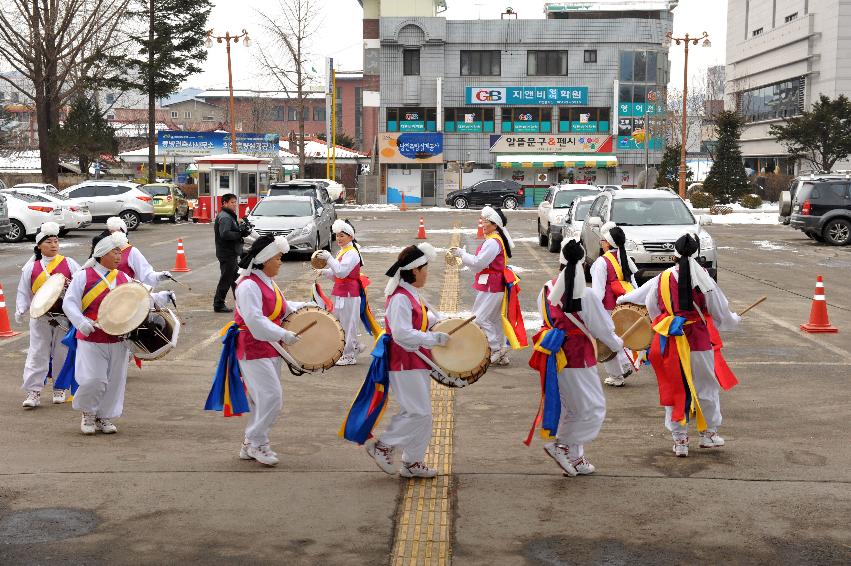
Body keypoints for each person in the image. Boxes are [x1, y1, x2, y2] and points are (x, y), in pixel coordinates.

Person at [618, 233, 740, 457]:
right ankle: (708, 434)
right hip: (700, 342)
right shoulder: (704, 279)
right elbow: (719, 310)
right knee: (706, 387)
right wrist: (733, 320)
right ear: (697, 254)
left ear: (673, 254)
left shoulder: (662, 278)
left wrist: (665, 321)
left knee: (675, 386)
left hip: (671, 340)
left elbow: (650, 304)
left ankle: (680, 440)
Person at [341, 243, 449, 479]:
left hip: (415, 359)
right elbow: (401, 333)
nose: (427, 273)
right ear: (414, 271)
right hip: (403, 361)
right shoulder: (400, 298)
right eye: (425, 269)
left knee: (422, 413)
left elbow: (421, 322)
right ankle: (383, 446)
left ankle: (412, 461)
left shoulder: (410, 294)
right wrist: (433, 338)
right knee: (418, 413)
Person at [205, 235, 306, 467]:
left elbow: (285, 308)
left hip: (270, 347)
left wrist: (310, 307)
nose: (281, 261)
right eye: (278, 257)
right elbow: (255, 321)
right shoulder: (248, 285)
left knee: (262, 400)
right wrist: (283, 334)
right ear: (265, 259)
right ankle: (256, 442)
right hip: (253, 347)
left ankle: (251, 443)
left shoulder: (269, 281)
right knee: (272, 397)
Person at [526, 238, 623, 476]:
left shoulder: (546, 290)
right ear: (582, 264)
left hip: (553, 357)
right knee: (593, 409)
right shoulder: (586, 296)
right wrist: (618, 345)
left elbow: (546, 320)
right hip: (579, 359)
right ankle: (561, 445)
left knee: (573, 409)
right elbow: (603, 329)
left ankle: (576, 457)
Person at [62, 232, 173, 435]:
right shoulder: (83, 276)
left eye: (119, 252)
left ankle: (105, 416)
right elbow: (69, 303)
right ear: (102, 253)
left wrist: (162, 297)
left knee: (115, 380)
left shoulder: (123, 277)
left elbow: (141, 297)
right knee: (93, 379)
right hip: (91, 337)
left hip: (119, 338)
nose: (119, 255)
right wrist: (81, 322)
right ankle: (88, 413)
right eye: (115, 251)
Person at [450, 206, 527, 366]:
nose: (482, 224)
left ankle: (495, 349)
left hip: (493, 286)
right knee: (493, 320)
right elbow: (479, 265)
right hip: (493, 285)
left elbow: (479, 263)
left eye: (486, 221)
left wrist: (462, 255)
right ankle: (500, 351)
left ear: (495, 224)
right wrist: (465, 257)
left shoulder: (492, 242)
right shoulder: (494, 239)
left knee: (480, 319)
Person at [16, 222, 81, 408]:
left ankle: (59, 388)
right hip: (41, 318)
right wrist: (21, 309)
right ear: (39, 246)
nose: (53, 245)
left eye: (56, 241)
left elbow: (80, 286)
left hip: (63, 318)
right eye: (49, 242)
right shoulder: (32, 268)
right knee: (37, 354)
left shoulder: (69, 263)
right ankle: (33, 391)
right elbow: (24, 291)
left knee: (62, 353)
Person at [314, 219, 382, 366]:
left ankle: (349, 354)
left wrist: (329, 258)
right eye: (337, 235)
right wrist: (324, 271)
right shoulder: (343, 251)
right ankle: (355, 346)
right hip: (341, 293)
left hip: (350, 294)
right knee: (340, 323)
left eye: (342, 235)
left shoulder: (352, 253)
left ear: (350, 236)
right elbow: (335, 273)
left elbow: (341, 272)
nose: (338, 238)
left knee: (347, 325)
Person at [591, 222, 640, 387]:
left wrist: (594, 311)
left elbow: (598, 292)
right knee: (619, 337)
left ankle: (616, 375)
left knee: (606, 340)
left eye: (603, 240)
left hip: (607, 307)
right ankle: (625, 364)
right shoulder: (624, 256)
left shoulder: (602, 262)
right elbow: (633, 282)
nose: (602, 243)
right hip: (624, 305)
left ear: (608, 243)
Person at [97, 216, 171, 287]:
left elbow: (145, 274)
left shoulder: (131, 251)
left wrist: (158, 276)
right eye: (111, 231)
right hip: (102, 293)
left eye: (118, 231)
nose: (115, 234)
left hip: (124, 293)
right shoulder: (102, 250)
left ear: (124, 233)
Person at [213, 193, 248, 313]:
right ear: (225, 203)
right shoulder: (226, 217)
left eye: (235, 202)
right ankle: (218, 304)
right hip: (227, 253)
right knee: (226, 279)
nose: (234, 205)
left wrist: (241, 231)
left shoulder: (228, 215)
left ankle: (241, 302)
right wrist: (240, 234)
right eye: (232, 202)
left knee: (236, 279)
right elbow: (225, 234)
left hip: (230, 253)